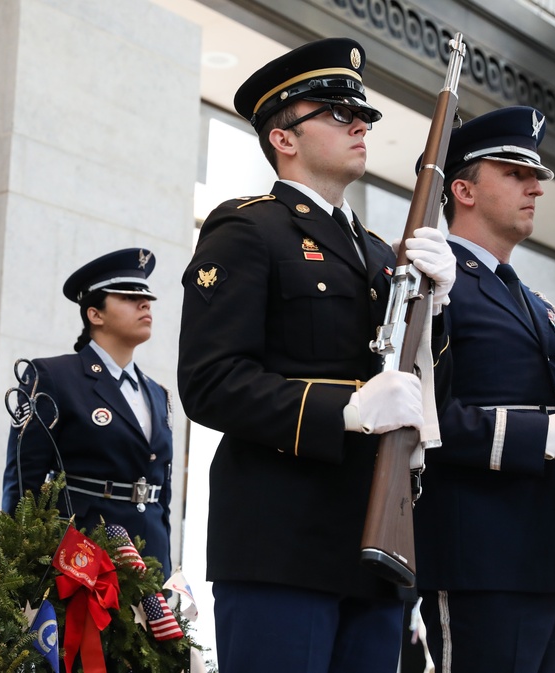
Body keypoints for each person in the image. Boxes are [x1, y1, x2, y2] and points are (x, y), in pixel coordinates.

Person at [177, 37, 457, 673]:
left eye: (360, 114)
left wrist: (438, 310)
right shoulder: (249, 229)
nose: (359, 124)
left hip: (376, 540)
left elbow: (423, 389)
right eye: (335, 113)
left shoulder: (385, 255)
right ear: (284, 137)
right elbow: (210, 382)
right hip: (283, 542)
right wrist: (347, 409)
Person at [412, 107, 555, 672]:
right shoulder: (439, 285)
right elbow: (427, 418)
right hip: (480, 560)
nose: (535, 187)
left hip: (552, 558)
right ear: (462, 188)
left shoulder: (535, 304)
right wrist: (543, 436)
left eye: (534, 176)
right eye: (513, 172)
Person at [1, 248, 174, 575]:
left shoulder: (158, 393)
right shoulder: (52, 376)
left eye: (147, 298)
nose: (145, 303)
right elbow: (24, 482)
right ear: (95, 314)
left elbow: (161, 493)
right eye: (127, 297)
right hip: (82, 554)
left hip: (149, 556)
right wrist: (16, 563)